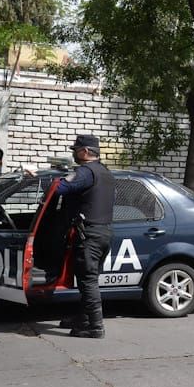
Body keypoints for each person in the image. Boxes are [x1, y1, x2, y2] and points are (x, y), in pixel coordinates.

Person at [55, 134, 114, 338]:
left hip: (89, 234)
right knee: (88, 279)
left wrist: (54, 177)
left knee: (88, 280)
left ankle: (96, 327)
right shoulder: (105, 172)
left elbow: (60, 188)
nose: (74, 153)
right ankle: (84, 318)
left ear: (86, 152)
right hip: (103, 233)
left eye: (76, 150)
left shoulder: (85, 172)